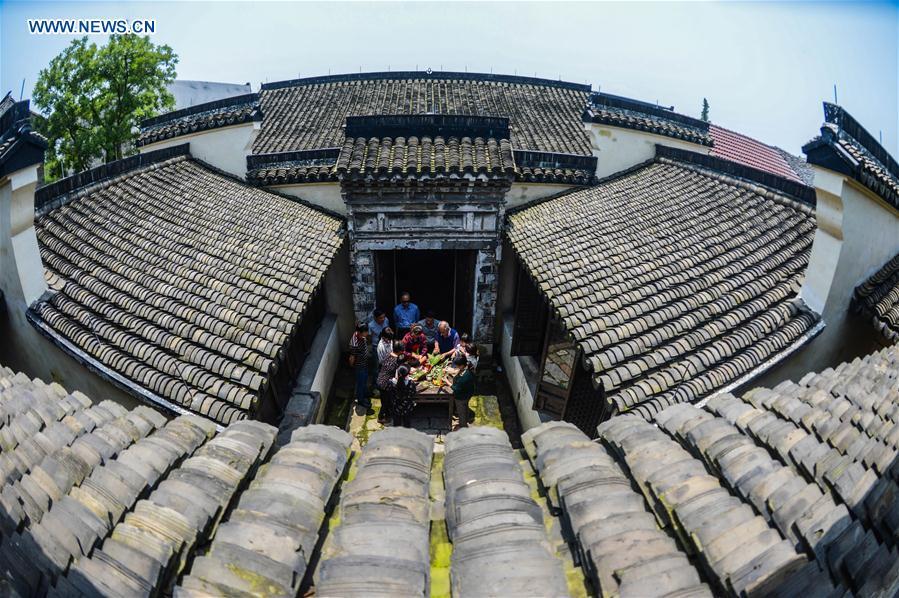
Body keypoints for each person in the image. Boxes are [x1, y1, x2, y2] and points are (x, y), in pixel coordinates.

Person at [376, 340, 404, 424]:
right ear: (399, 351)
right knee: (385, 402)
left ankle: (388, 413)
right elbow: (397, 375)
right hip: (385, 384)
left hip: (380, 379)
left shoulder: (389, 355)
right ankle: (380, 418)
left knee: (386, 400)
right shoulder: (395, 362)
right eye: (402, 350)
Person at [348, 322, 371, 410]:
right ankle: (360, 400)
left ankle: (365, 393)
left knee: (365, 379)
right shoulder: (354, 344)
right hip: (359, 366)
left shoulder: (361, 336)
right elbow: (352, 358)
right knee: (360, 383)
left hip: (364, 363)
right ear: (359, 332)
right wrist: (353, 367)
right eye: (365, 332)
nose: (367, 334)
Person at [449, 355, 475, 430]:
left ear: (462, 365)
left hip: (461, 397)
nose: (456, 367)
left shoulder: (464, 377)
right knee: (465, 407)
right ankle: (466, 418)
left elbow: (456, 389)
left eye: (457, 366)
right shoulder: (467, 369)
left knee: (461, 411)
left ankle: (463, 426)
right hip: (468, 394)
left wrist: (446, 381)